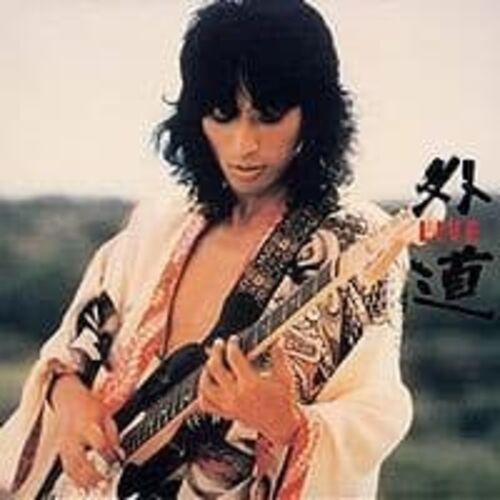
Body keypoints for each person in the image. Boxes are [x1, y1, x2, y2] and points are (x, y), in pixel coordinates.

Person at [0, 0, 413, 498]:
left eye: (268, 116)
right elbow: (74, 344)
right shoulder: (163, 222)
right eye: (222, 115)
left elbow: (375, 411)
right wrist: (68, 402)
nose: (244, 145)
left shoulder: (354, 239)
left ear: (314, 114)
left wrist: (286, 423)